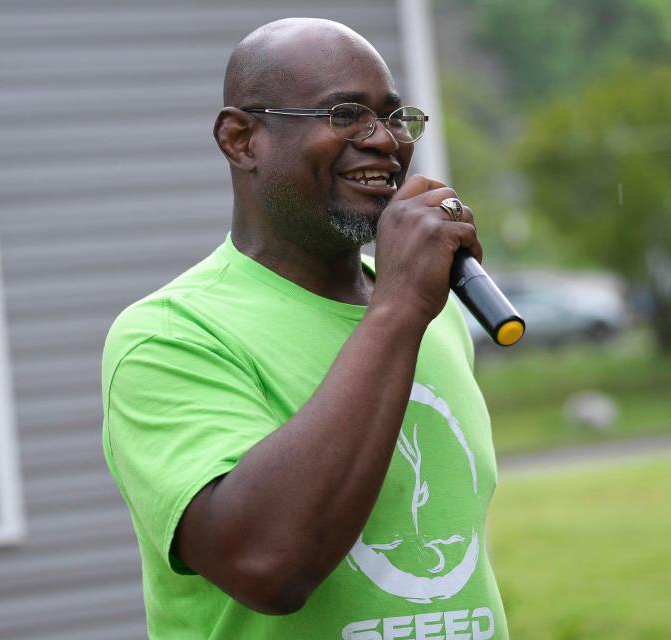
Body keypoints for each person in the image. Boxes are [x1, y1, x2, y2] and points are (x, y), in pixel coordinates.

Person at [102, 17, 508, 640]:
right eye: (345, 114)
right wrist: (397, 311)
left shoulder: (435, 311)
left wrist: (401, 304)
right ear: (241, 139)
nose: (383, 140)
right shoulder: (170, 335)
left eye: (395, 117)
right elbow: (268, 564)